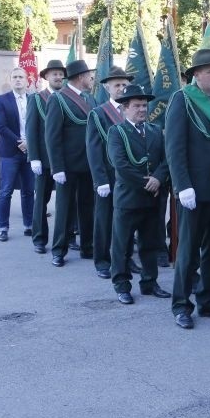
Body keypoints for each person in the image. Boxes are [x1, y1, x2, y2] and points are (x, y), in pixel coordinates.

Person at [165, 48, 210, 330]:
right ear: (196, 75)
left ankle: (209, 300)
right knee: (188, 249)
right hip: (194, 191)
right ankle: (182, 304)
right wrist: (183, 185)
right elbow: (174, 146)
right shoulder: (182, 100)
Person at [107, 84, 171, 304]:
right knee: (122, 246)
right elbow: (121, 166)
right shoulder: (116, 132)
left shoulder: (155, 131)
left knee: (150, 244)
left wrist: (159, 178)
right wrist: (148, 182)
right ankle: (122, 285)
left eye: (144, 105)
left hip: (152, 200)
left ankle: (149, 282)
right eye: (137, 106)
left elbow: (165, 159)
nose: (142, 109)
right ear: (125, 108)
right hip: (128, 199)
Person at [44, 59, 97, 267]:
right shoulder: (59, 99)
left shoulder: (90, 100)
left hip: (88, 164)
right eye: (89, 76)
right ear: (80, 77)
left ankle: (87, 246)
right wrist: (57, 167)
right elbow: (52, 136)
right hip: (67, 166)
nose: (92, 79)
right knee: (64, 209)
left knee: (87, 207)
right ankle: (59, 249)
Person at [86, 66, 133, 279]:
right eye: (117, 85)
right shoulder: (98, 113)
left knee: (126, 219)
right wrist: (99, 180)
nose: (122, 88)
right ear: (107, 88)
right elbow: (93, 148)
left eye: (124, 84)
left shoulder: (132, 109)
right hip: (107, 174)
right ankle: (102, 260)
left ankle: (125, 257)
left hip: (128, 175)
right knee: (104, 219)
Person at [27, 60, 65, 253]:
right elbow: (31, 129)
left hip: (64, 160)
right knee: (41, 200)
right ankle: (39, 238)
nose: (58, 77)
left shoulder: (68, 97)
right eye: (54, 74)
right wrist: (34, 157)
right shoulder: (37, 99)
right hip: (43, 159)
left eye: (60, 74)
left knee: (67, 201)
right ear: (46, 77)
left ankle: (68, 236)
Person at [0, 67, 34, 242]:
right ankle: (3, 227)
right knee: (6, 191)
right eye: (15, 77)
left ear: (27, 81)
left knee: (28, 191)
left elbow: (40, 125)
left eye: (21, 77)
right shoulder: (2, 100)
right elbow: (0, 127)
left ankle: (29, 225)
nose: (18, 80)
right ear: (11, 80)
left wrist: (29, 144)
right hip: (9, 152)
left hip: (30, 152)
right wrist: (20, 143)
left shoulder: (34, 99)